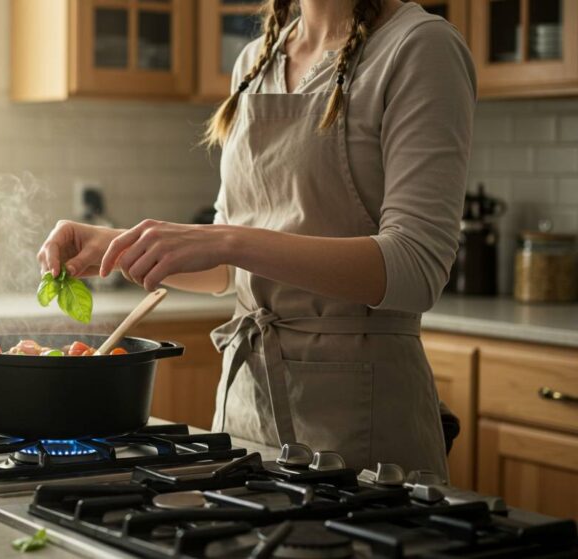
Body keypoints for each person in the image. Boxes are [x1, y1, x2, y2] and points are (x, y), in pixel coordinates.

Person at [37, 0, 475, 477]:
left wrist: (231, 240)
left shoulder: (419, 46)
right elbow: (229, 271)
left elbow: (415, 269)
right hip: (246, 409)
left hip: (360, 423)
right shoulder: (255, 62)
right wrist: (119, 246)